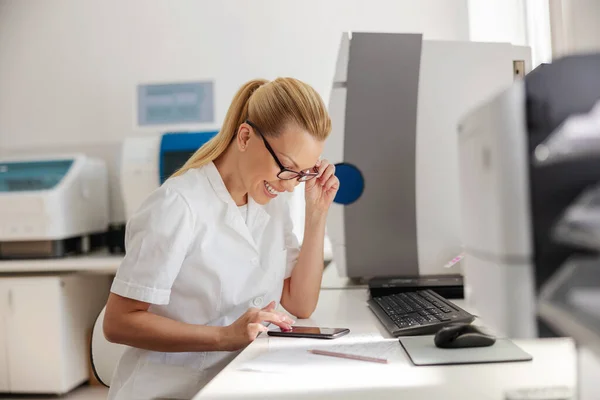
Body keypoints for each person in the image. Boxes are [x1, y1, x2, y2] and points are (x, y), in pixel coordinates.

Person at [103, 77, 339, 399]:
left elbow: (300, 302)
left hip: (239, 382)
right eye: (286, 167)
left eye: (302, 174)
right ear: (245, 137)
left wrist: (317, 213)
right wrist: (224, 336)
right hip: (174, 391)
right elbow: (118, 323)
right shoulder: (179, 205)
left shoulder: (272, 202)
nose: (289, 185)